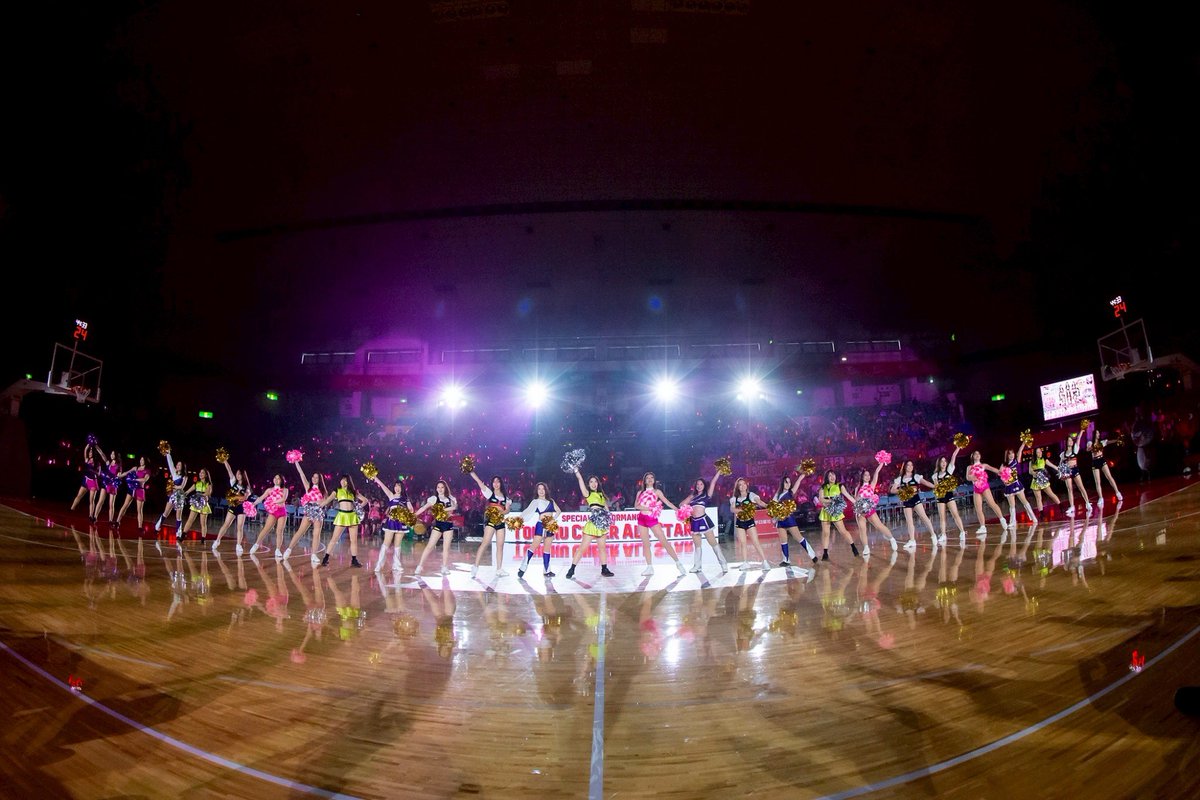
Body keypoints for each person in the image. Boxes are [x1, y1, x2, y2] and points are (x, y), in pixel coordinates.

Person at [565, 468, 616, 580]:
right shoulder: (587, 494)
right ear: (588, 484)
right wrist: (576, 471)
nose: (594, 484)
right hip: (593, 523)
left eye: (595, 482)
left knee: (602, 548)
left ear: (598, 483)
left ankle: (604, 569)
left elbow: (606, 509)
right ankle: (572, 569)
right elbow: (579, 479)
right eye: (591, 482)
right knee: (583, 548)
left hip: (602, 524)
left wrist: (609, 519)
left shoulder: (602, 495)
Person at [634, 472, 687, 578]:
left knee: (664, 541)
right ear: (644, 481)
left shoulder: (657, 491)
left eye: (651, 477)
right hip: (641, 519)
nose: (649, 479)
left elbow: (667, 502)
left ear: (654, 480)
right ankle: (649, 567)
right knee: (646, 544)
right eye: (647, 478)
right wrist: (648, 508)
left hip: (652, 519)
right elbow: (636, 505)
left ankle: (678, 563)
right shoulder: (640, 492)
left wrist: (677, 510)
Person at [678, 472, 728, 573]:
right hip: (694, 522)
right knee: (697, 545)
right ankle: (697, 566)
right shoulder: (692, 496)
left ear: (704, 485)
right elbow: (681, 504)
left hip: (704, 520)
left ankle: (723, 563)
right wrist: (686, 509)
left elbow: (713, 482)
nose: (699, 486)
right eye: (697, 484)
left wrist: (718, 471)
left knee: (713, 543)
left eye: (701, 484)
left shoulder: (707, 494)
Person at [468, 471, 513, 578]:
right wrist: (471, 472)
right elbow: (479, 482)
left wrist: (502, 512)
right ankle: (475, 566)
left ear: (501, 483)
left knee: (500, 545)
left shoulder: (506, 498)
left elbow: (507, 510)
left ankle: (499, 569)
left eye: (498, 482)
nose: (496, 484)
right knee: (485, 543)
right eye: (494, 482)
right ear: (492, 484)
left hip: (501, 522)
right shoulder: (489, 493)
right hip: (491, 522)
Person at [320, 474, 369, 568]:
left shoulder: (353, 492)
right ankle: (325, 558)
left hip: (352, 516)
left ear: (348, 482)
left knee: (353, 540)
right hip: (342, 516)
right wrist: (319, 506)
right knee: (334, 539)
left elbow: (365, 500)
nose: (343, 482)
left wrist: (358, 507)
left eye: (345, 480)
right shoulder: (337, 491)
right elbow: (327, 500)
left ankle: (354, 560)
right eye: (342, 480)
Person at [284, 463, 328, 564]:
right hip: (308, 511)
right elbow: (301, 474)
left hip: (318, 512)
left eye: (317, 478)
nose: (314, 479)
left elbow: (324, 502)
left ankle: (313, 555)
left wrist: (318, 503)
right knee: (300, 531)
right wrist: (296, 462)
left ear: (320, 480)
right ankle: (288, 550)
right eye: (313, 477)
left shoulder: (323, 491)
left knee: (316, 534)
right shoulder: (308, 487)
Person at [413, 480, 458, 576]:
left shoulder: (451, 498)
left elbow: (454, 507)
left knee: (446, 547)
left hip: (448, 524)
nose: (440, 489)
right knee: (430, 546)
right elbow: (424, 508)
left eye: (442, 487)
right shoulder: (433, 499)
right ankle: (420, 566)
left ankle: (444, 567)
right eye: (438, 487)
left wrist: (442, 510)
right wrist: (414, 515)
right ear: (436, 489)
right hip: (438, 524)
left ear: (445, 488)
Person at [890, 460, 938, 551]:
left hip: (915, 499)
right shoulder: (899, 479)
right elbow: (892, 490)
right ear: (905, 467)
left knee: (924, 517)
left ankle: (933, 535)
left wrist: (936, 486)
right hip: (906, 501)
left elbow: (926, 483)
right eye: (908, 465)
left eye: (911, 465)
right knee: (909, 521)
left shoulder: (916, 477)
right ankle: (912, 540)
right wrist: (903, 490)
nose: (910, 467)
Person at [773, 472, 818, 566]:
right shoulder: (777, 495)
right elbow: (773, 507)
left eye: (789, 482)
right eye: (786, 482)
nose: (788, 484)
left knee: (799, 538)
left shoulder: (790, 492)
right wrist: (774, 519)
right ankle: (786, 560)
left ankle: (813, 555)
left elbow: (798, 483)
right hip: (780, 521)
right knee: (783, 540)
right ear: (782, 483)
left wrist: (801, 476)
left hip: (789, 519)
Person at [853, 464, 898, 558]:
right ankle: (866, 547)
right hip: (860, 511)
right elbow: (856, 499)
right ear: (862, 477)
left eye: (869, 475)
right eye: (865, 475)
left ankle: (892, 539)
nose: (868, 477)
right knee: (862, 529)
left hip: (870, 510)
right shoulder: (858, 488)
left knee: (879, 526)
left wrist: (881, 462)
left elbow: (877, 472)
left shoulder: (872, 485)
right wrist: (859, 501)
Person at [518, 482, 561, 579]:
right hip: (541, 525)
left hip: (550, 526)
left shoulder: (551, 500)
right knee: (534, 546)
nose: (541, 491)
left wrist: (552, 520)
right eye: (539, 489)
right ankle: (522, 567)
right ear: (537, 491)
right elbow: (527, 512)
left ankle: (547, 571)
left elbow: (558, 511)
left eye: (543, 489)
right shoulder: (535, 501)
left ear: (546, 490)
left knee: (547, 549)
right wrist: (519, 519)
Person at [372, 475, 414, 575]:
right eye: (395, 486)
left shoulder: (405, 499)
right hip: (391, 522)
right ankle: (379, 564)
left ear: (402, 488)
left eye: (399, 486)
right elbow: (382, 486)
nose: (397, 488)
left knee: (397, 545)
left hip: (401, 523)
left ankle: (397, 565)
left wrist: (405, 514)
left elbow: (411, 509)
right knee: (386, 543)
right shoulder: (391, 495)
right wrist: (376, 478)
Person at [729, 477, 771, 571]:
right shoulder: (734, 498)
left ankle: (765, 562)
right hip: (740, 522)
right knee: (743, 543)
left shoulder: (751, 495)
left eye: (744, 484)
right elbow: (732, 509)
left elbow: (760, 502)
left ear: (747, 485)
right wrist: (741, 510)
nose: (742, 486)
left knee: (756, 542)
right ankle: (745, 563)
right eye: (740, 484)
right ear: (737, 487)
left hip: (749, 521)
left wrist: (769, 506)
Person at [818, 469, 861, 561]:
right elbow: (821, 499)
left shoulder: (840, 486)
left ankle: (853, 547)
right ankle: (825, 553)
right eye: (830, 475)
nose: (832, 477)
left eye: (833, 475)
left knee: (843, 531)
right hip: (825, 512)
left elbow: (848, 496)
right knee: (826, 533)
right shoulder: (823, 487)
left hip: (836, 511)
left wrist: (857, 503)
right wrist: (831, 500)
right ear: (827, 477)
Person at [930, 447, 968, 545]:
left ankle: (962, 532)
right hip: (940, 497)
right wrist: (937, 490)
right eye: (941, 461)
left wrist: (958, 448)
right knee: (942, 517)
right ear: (939, 463)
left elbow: (953, 456)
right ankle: (943, 535)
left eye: (944, 461)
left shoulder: (949, 470)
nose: (943, 463)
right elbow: (936, 487)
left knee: (955, 514)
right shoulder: (935, 476)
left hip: (949, 495)